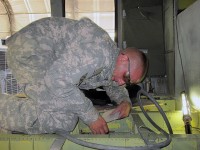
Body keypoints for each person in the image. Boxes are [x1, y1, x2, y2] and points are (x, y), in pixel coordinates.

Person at [0, 17, 148, 135]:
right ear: (123, 58)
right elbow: (57, 80)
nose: (122, 83)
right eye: (126, 77)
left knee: (68, 110)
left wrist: (124, 101)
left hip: (45, 61)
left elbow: (111, 82)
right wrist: (92, 117)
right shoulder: (98, 53)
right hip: (31, 54)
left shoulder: (110, 60)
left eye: (127, 83)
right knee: (64, 119)